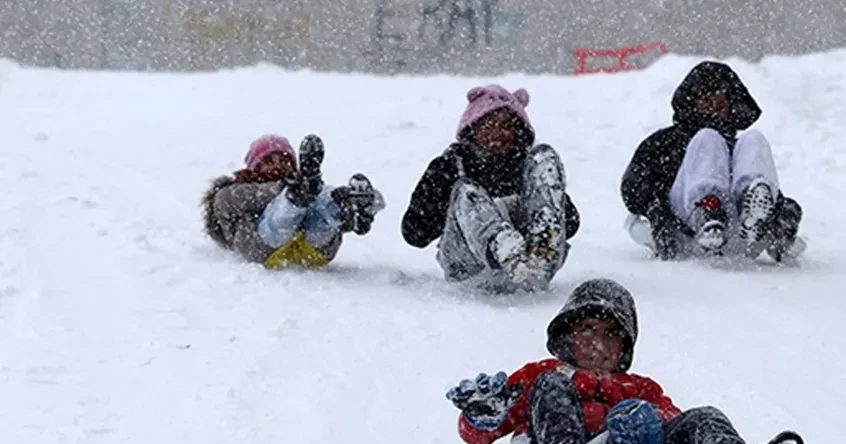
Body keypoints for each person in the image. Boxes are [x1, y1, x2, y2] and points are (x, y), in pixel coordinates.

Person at [445, 278, 806, 444]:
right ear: (567, 335)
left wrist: (649, 422)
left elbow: (673, 422)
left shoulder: (641, 388)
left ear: (625, 345)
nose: (597, 343)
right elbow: (481, 435)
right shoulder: (543, 373)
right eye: (587, 329)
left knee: (703, 418)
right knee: (553, 388)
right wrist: (481, 416)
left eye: (610, 333)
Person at [621, 61, 804, 263]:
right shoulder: (667, 142)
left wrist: (781, 210)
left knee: (754, 138)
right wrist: (656, 209)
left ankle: (752, 216)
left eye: (721, 104)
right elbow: (633, 189)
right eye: (706, 102)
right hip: (687, 225)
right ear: (691, 104)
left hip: (740, 230)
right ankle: (708, 210)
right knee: (707, 138)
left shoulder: (739, 146)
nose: (714, 110)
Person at [401, 85, 581, 293]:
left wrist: (536, 204)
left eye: (507, 125)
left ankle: (541, 244)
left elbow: (572, 223)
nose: (497, 132)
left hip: (535, 265)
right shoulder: (450, 166)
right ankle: (503, 246)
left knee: (544, 157)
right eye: (488, 124)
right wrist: (442, 193)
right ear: (472, 128)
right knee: (467, 192)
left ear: (519, 132)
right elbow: (414, 234)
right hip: (471, 270)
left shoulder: (527, 168)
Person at [202, 134, 385, 269]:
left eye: (284, 159)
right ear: (255, 166)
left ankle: (350, 207)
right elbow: (228, 201)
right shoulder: (238, 190)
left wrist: (349, 218)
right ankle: (294, 201)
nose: (277, 165)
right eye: (269, 161)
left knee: (322, 210)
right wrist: (283, 189)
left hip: (313, 250)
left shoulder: (306, 186)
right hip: (265, 250)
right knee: (281, 215)